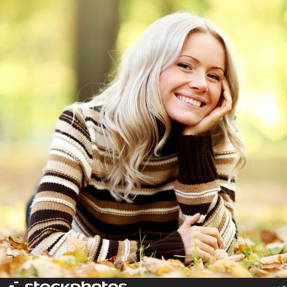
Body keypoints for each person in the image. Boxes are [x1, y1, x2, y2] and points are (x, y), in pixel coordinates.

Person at [26, 11, 245, 265]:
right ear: (150, 67)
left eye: (214, 75)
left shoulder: (216, 137)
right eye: (185, 65)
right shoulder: (83, 125)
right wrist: (161, 250)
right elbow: (46, 241)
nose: (201, 84)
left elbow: (221, 246)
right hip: (80, 225)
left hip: (118, 244)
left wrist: (194, 146)